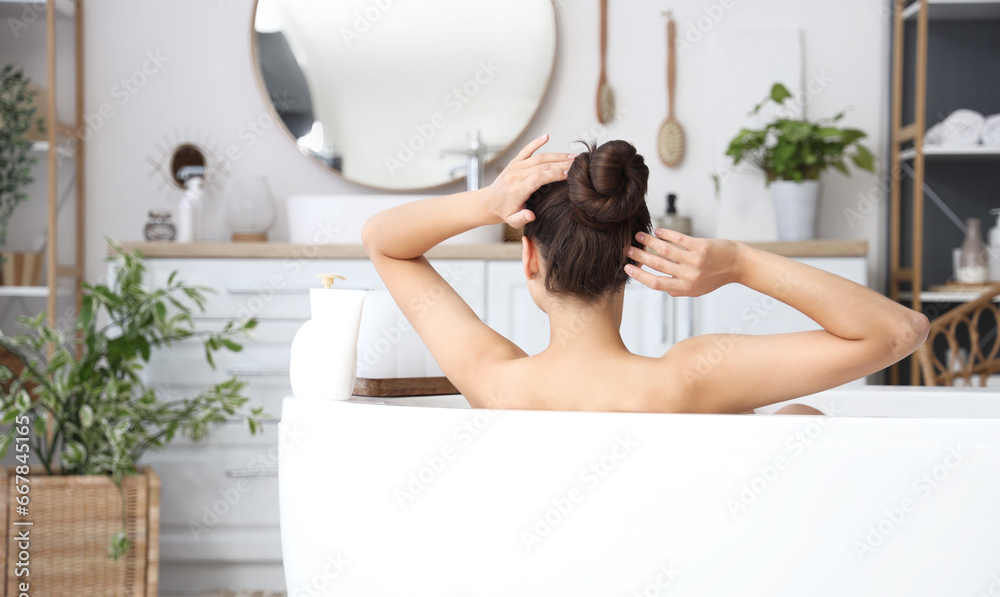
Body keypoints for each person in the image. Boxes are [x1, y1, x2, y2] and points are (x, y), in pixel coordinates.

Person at [361, 135, 929, 414]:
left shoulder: (493, 381)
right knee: (799, 418)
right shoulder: (692, 382)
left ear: (531, 259)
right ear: (631, 263)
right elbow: (900, 332)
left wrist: (484, 203)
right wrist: (740, 262)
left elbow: (385, 244)